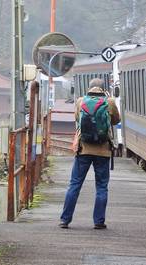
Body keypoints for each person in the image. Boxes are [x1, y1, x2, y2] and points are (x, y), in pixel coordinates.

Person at [60, 78, 120, 229]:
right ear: (103, 89)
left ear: (89, 88)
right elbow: (115, 121)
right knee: (101, 187)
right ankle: (99, 221)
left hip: (84, 149)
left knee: (74, 184)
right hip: (103, 150)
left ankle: (65, 220)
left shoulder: (81, 101)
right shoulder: (110, 102)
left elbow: (77, 119)